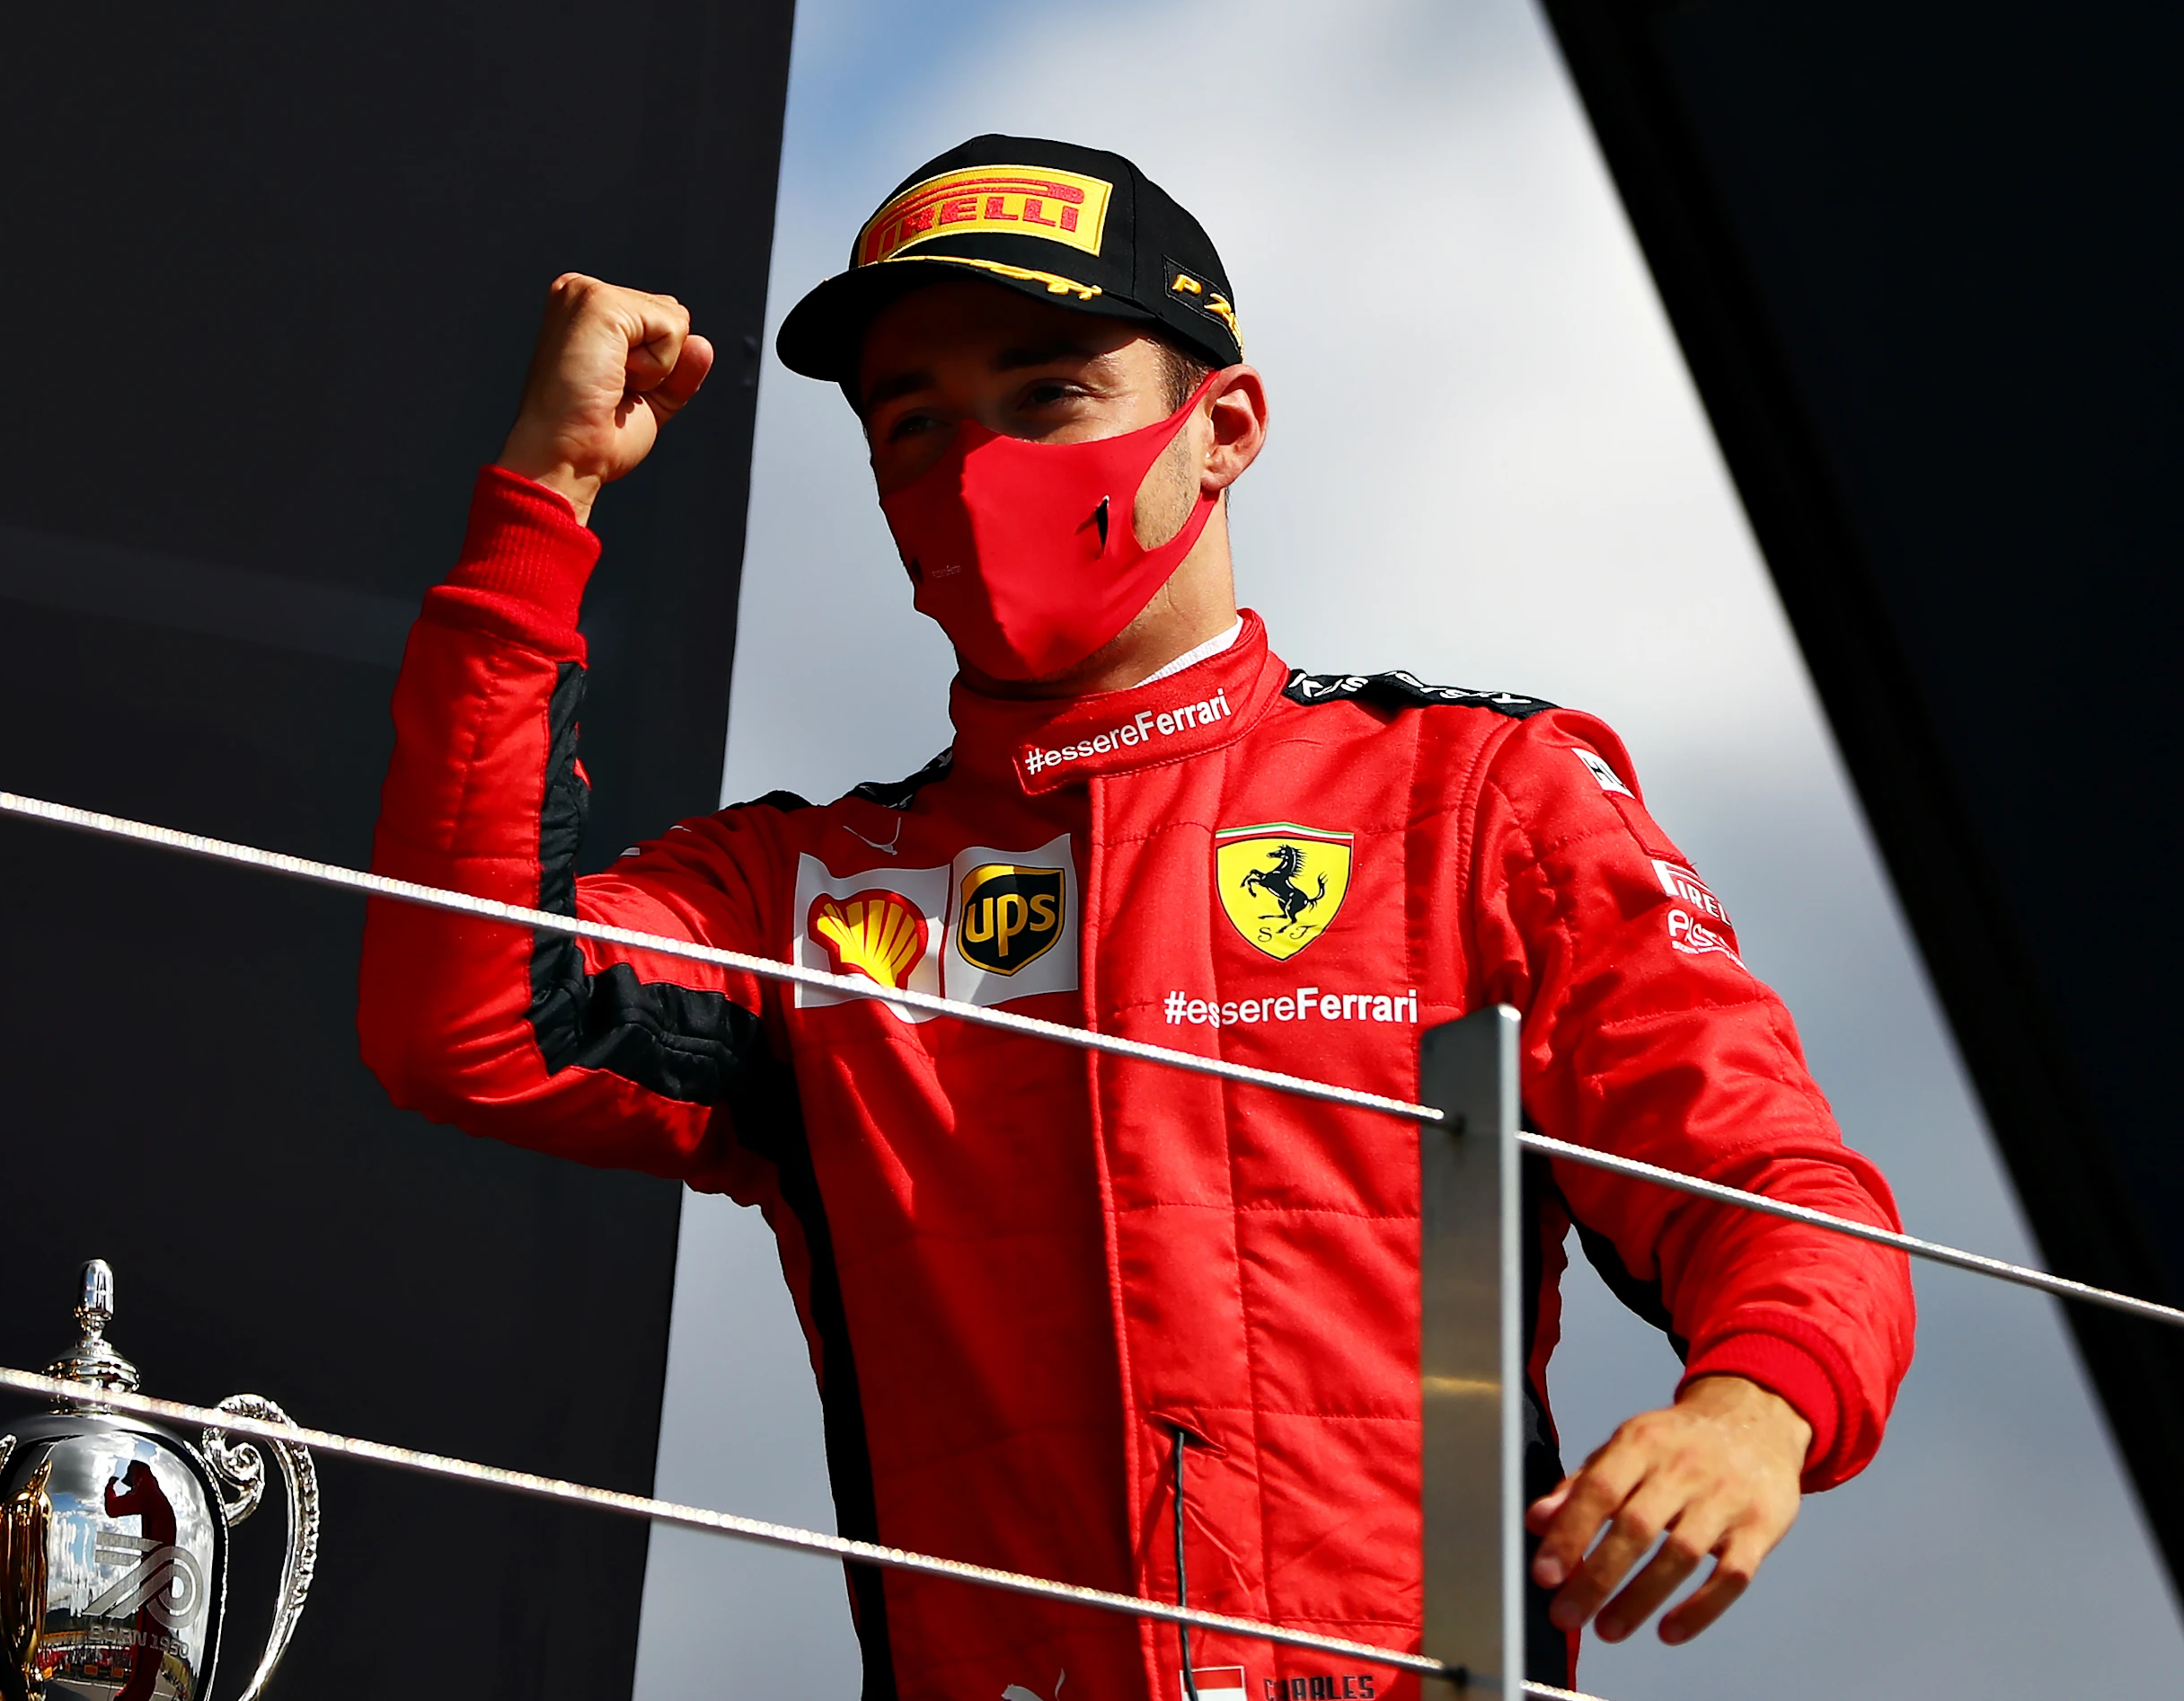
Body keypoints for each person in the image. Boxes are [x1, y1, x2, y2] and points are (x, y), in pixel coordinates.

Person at [356, 135, 1914, 1700]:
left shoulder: (1475, 801)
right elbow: (469, 1019)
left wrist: (1755, 1407)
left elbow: (1777, 1186)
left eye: (1047, 395)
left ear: (1223, 427)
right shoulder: (803, 890)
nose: (977, 468)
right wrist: (545, 497)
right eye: (915, 425)